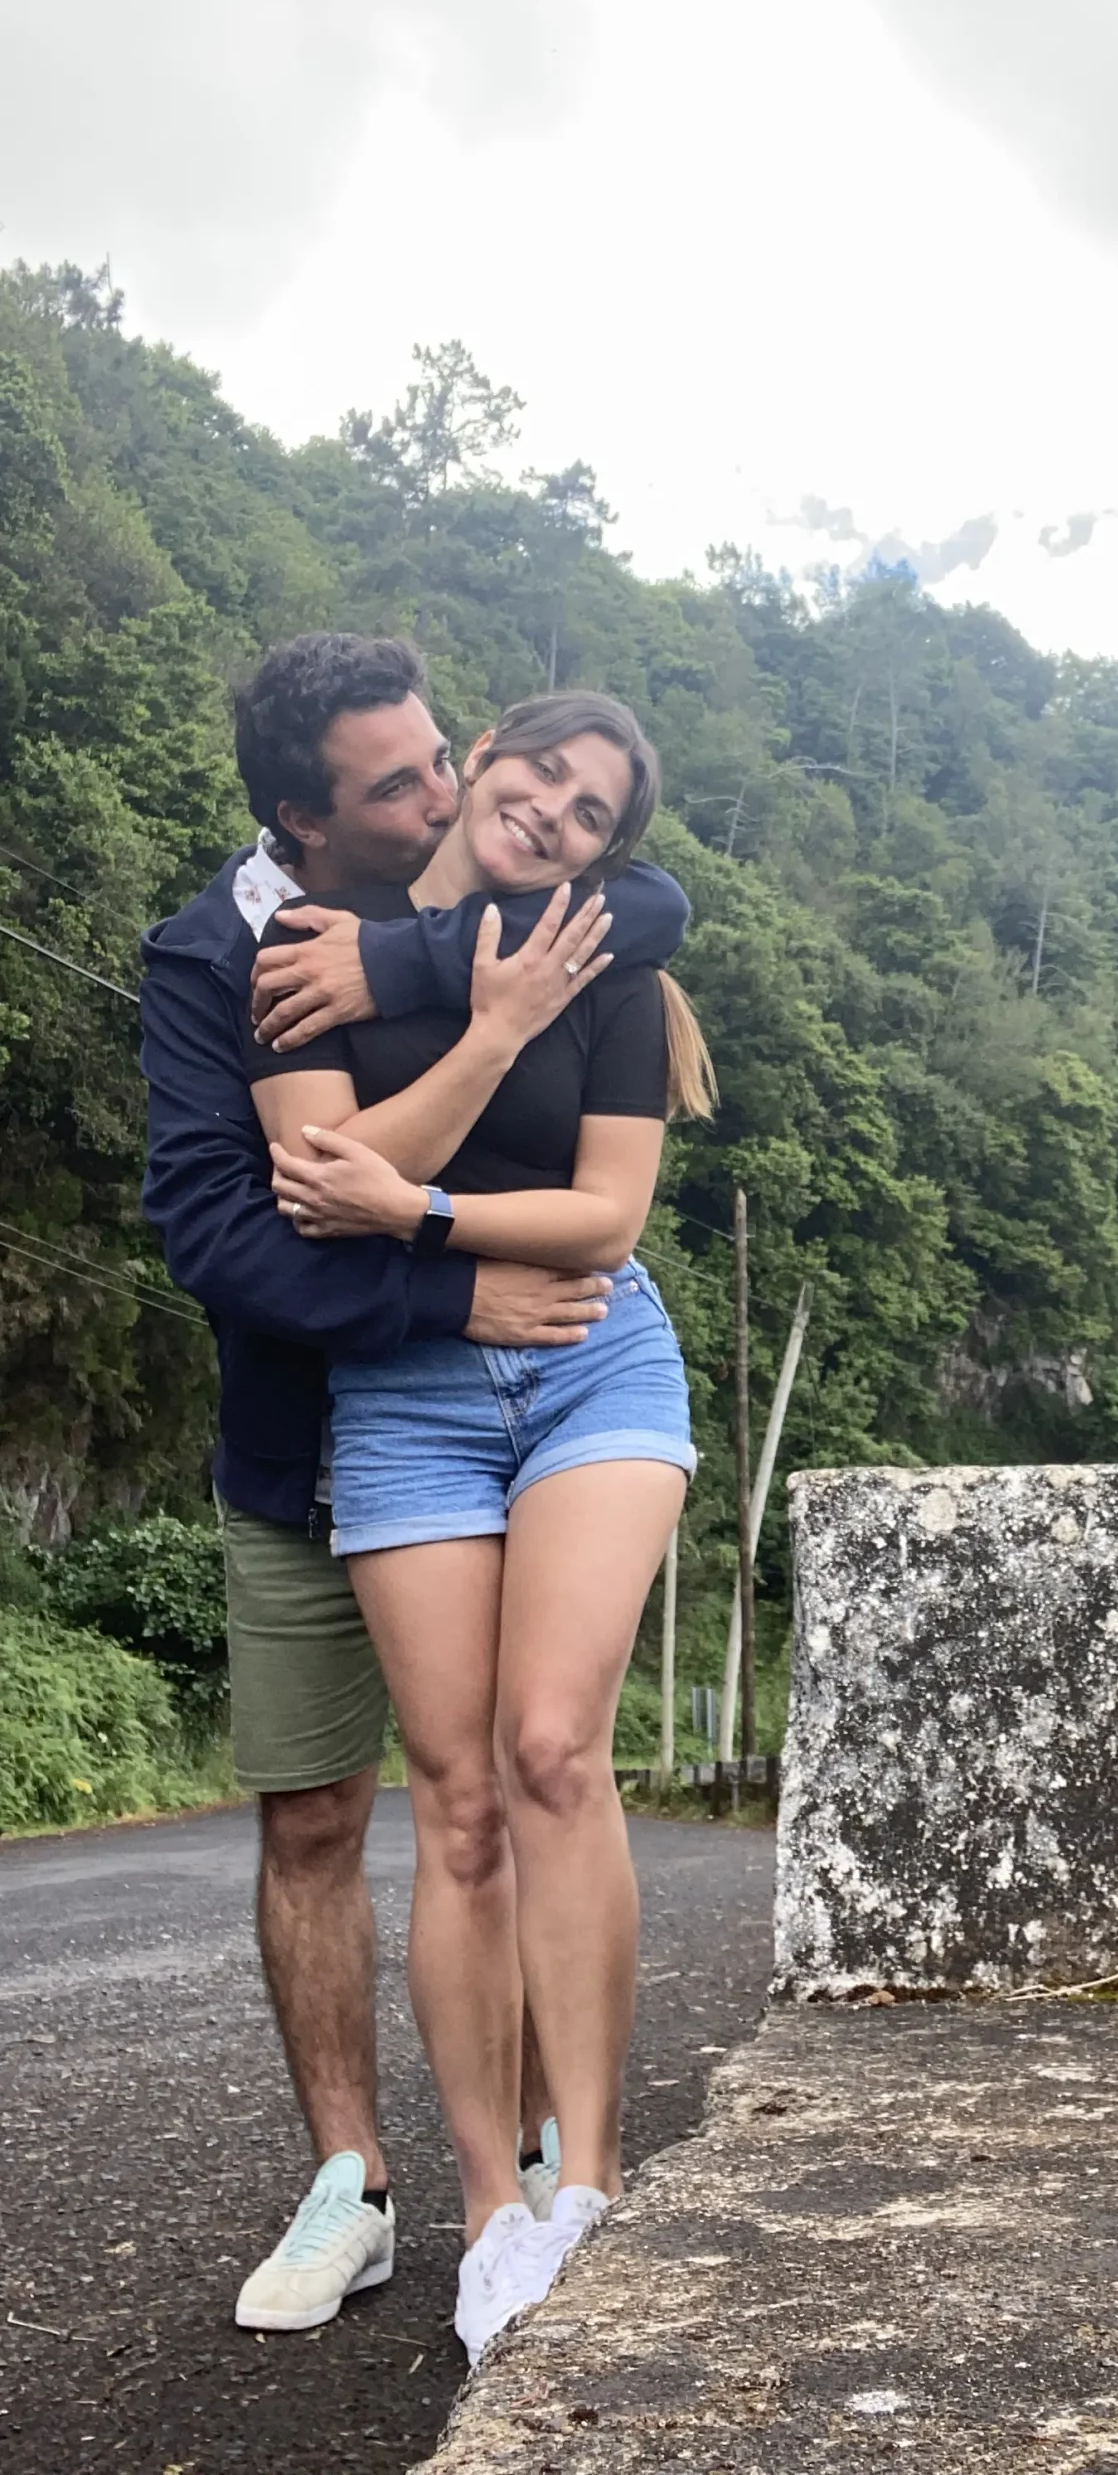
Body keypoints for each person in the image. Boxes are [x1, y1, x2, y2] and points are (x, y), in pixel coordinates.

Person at [139, 634, 691, 2334]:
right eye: (403, 782)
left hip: (559, 1370)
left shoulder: (560, 922)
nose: (453, 793)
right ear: (306, 819)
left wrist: (443, 965)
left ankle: (553, 2174)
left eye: (450, 753)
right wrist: (452, 1278)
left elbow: (651, 907)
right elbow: (248, 1231)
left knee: (538, 1763)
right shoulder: (234, 953)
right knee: (338, 1810)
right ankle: (363, 2186)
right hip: (329, 1422)